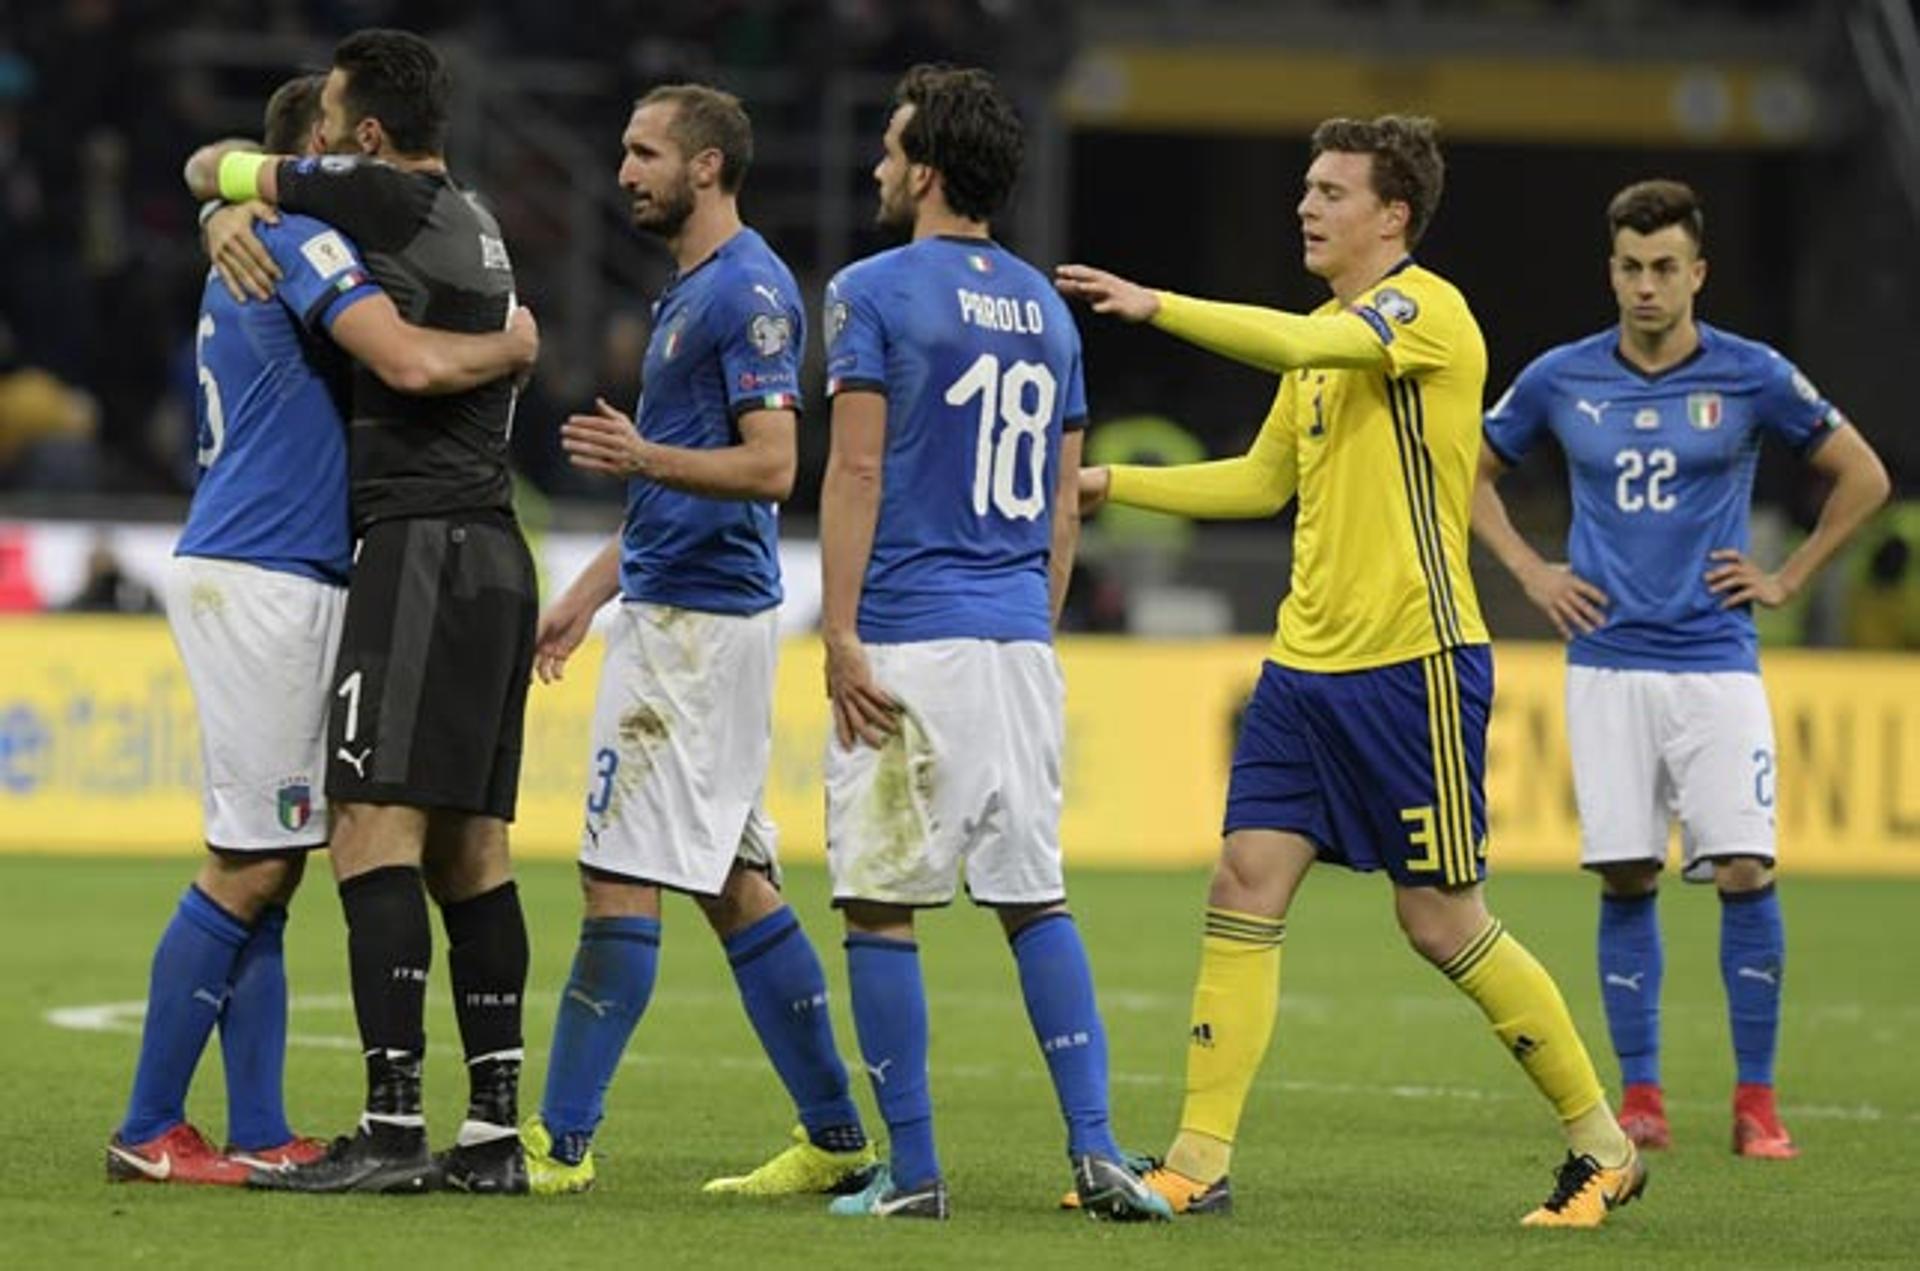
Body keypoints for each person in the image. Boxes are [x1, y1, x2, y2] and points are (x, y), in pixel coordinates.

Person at [1057, 114, 1643, 1229]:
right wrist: (1112, 483)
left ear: (1393, 215)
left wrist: (1157, 304)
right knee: (1244, 878)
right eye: (1305, 189)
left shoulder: (1426, 312)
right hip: (1302, 669)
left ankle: (1603, 1146)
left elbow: (1296, 348)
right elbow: (1260, 481)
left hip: (1410, 665)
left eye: (1331, 192)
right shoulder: (1327, 338)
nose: (1306, 207)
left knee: (1439, 919)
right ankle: (1195, 1161)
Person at [110, 73, 538, 1188]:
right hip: (268, 572)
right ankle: (151, 1124)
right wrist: (512, 349)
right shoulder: (300, 238)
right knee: (251, 859)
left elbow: (215, 171)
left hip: (271, 562)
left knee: (278, 857)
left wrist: (216, 203)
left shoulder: (258, 233)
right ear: (316, 155)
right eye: (336, 150)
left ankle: (257, 1124)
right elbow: (405, 359)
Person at [1473, 179, 1890, 1158]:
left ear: (1696, 272)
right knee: (1625, 873)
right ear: (1611, 270)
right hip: (1606, 663)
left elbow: (1862, 473)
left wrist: (1788, 575)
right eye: (1630, 267)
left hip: (1715, 662)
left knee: (1745, 866)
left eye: (1665, 267)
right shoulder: (1561, 378)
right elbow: (1470, 475)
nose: (1647, 285)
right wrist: (1534, 572)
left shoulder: (1751, 375)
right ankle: (1646, 1096)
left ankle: (1756, 1103)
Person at [818, 64, 1169, 1223]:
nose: (877, 164)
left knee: (879, 902)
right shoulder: (1048, 308)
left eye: (889, 145)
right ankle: (1099, 1146)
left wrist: (840, 631)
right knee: (1035, 896)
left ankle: (912, 1171)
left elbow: (859, 467)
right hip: (1020, 639)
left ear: (926, 170)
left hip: (913, 636)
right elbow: (1066, 503)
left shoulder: (872, 290)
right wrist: (1036, 615)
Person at [518, 83, 876, 1200]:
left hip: (697, 631)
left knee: (615, 872)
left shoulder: (751, 293)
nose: (623, 169)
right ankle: (834, 1135)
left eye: (644, 152)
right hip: (677, 608)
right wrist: (587, 590)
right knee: (733, 880)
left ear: (708, 166)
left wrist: (644, 462)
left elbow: (774, 467)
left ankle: (557, 1145)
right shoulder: (692, 291)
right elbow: (673, 476)